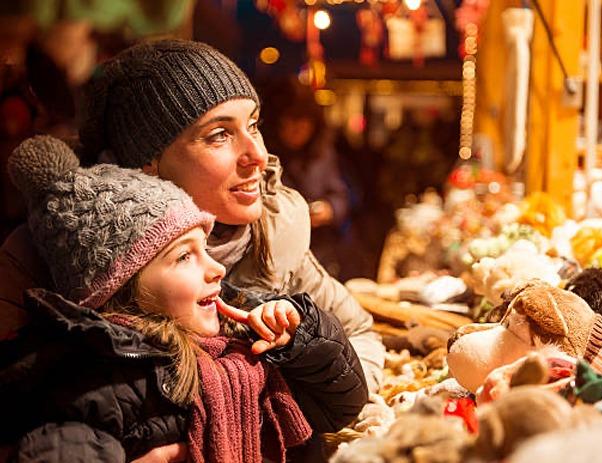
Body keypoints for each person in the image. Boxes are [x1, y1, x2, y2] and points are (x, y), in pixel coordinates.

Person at [0, 39, 384, 393]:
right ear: (147, 163)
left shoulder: (271, 234)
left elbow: (359, 334)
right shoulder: (53, 250)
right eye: (219, 134)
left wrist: (316, 411)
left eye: (253, 125)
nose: (259, 156)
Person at [0, 136, 367, 462]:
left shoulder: (238, 347)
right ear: (121, 286)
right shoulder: (91, 385)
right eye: (184, 256)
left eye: (204, 248)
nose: (216, 270)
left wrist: (301, 340)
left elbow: (340, 407)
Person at [259, 76, 352, 278]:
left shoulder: (322, 154)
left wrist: (330, 210)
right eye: (291, 120)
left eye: (305, 121)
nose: (298, 129)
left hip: (320, 253)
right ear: (278, 121)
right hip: (274, 256)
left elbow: (340, 196)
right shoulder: (262, 157)